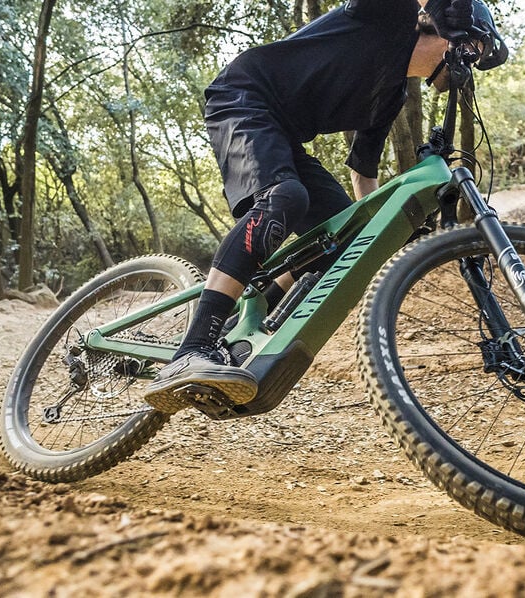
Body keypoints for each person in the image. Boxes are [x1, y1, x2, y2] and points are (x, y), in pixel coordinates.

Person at [144, 0, 492, 414]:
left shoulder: (391, 96)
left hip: (283, 133)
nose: (467, 64)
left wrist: (381, 231)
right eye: (468, 49)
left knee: (345, 239)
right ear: (441, 28)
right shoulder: (386, 18)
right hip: (243, 96)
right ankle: (193, 346)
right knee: (285, 196)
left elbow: (364, 173)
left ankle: (242, 330)